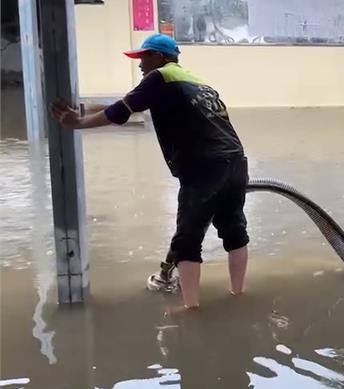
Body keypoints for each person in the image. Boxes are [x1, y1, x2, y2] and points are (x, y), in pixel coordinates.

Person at [51, 34, 248, 311]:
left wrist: (78, 123)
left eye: (144, 57)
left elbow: (120, 112)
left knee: (188, 239)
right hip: (237, 161)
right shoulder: (196, 81)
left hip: (204, 167)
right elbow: (125, 104)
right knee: (234, 229)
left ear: (159, 57)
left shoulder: (159, 79)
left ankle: (191, 310)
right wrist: (82, 110)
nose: (141, 65)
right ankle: (238, 294)